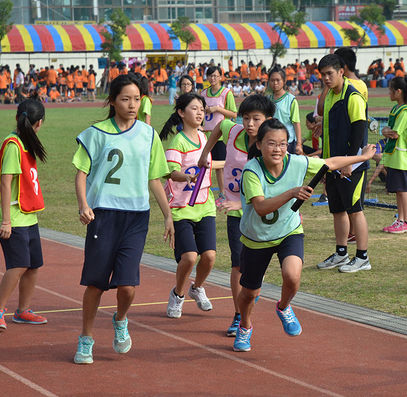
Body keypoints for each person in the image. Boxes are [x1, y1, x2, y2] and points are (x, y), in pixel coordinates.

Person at [232, 118, 376, 352]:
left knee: (292, 276)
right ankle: (245, 327)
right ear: (258, 145)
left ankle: (283, 307)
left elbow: (330, 163)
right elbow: (260, 207)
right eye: (271, 143)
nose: (277, 149)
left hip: (289, 231)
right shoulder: (251, 171)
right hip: (257, 238)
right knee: (248, 293)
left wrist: (363, 157)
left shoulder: (297, 162)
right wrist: (292, 192)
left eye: (282, 144)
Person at [72, 74, 174, 365]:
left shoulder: (148, 134)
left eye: (136, 99)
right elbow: (81, 172)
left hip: (136, 217)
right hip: (102, 217)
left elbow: (155, 178)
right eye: (125, 99)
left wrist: (167, 215)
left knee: (127, 285)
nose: (132, 104)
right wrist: (83, 204)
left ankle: (120, 320)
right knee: (96, 284)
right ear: (112, 101)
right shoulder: (96, 133)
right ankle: (86, 338)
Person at [197, 94, 276, 336]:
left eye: (256, 119)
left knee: (256, 266)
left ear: (268, 120)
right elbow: (219, 126)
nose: (250, 124)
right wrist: (205, 153)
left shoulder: (271, 147)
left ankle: (252, 291)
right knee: (237, 263)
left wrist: (242, 206)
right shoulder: (234, 131)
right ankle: (238, 315)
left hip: (259, 211)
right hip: (235, 211)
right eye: (246, 118)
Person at [0, 96, 48, 330]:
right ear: (39, 123)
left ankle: (23, 311)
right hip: (12, 217)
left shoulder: (26, 143)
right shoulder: (13, 145)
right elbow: (5, 183)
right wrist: (6, 220)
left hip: (27, 215)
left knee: (33, 265)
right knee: (19, 264)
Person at [160, 93, 217, 319]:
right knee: (190, 257)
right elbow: (169, 171)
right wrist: (185, 177)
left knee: (210, 256)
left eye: (202, 108)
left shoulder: (205, 138)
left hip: (205, 205)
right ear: (181, 113)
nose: (200, 112)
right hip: (181, 208)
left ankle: (197, 288)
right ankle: (178, 294)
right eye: (194, 108)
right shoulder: (178, 142)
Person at [315, 54, 371, 272]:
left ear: (341, 71)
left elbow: (359, 131)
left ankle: (362, 257)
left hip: (351, 165)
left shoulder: (353, 96)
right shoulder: (329, 96)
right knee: (337, 210)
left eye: (330, 73)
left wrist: (349, 162)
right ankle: (341, 253)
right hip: (332, 163)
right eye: (323, 75)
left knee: (355, 210)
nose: (326, 78)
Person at [381, 76, 407, 233]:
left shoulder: (405, 111)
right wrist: (385, 131)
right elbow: (388, 130)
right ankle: (400, 220)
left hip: (401, 157)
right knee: (398, 190)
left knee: (403, 189)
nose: (388, 93)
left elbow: (394, 133)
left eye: (390, 90)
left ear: (399, 91)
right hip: (394, 156)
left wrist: (387, 132)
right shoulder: (395, 109)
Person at [201, 66, 238, 204]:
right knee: (210, 164)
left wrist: (217, 109)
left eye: (216, 76)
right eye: (210, 76)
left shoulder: (226, 93)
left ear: (221, 77)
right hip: (207, 135)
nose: (213, 78)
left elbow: (234, 114)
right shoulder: (204, 93)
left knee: (222, 165)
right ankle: (214, 192)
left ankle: (225, 194)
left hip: (222, 135)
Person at [267, 68, 302, 154]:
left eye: (278, 80)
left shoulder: (291, 100)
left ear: (284, 81)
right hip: (271, 140)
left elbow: (296, 123)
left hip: (287, 141)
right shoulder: (267, 100)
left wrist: (299, 144)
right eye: (272, 80)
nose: (275, 83)